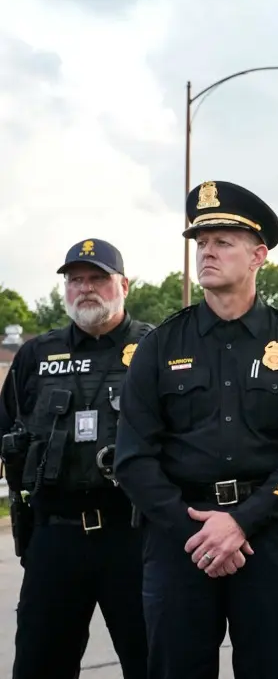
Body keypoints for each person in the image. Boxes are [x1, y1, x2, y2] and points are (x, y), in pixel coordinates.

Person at [114, 180, 278, 679]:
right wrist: (199, 532)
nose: (207, 253)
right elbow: (133, 458)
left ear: (258, 255)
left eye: (222, 242)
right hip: (179, 540)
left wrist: (239, 523)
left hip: (269, 535)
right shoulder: (160, 344)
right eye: (201, 243)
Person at [0, 239, 151, 679]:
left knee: (154, 662)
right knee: (38, 663)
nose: (85, 289)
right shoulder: (36, 355)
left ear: (123, 284)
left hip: (135, 537)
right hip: (55, 538)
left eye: (97, 279)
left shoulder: (155, 349)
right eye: (75, 280)